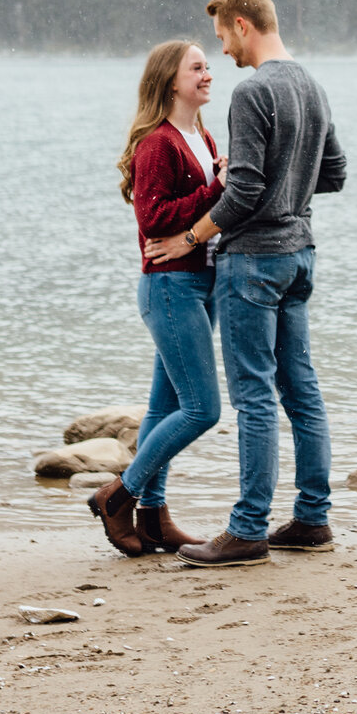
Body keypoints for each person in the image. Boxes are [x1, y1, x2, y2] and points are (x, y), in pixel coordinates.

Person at [142, 0, 347, 567]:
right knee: (301, 390)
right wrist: (289, 185)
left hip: (254, 261)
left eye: (222, 39)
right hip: (300, 255)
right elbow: (332, 174)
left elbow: (245, 190)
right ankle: (312, 519)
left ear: (240, 24)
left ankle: (248, 529)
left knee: (254, 395)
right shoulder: (312, 84)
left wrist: (189, 236)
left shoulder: (254, 92)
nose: (223, 54)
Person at [92, 39, 229, 556]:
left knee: (163, 407)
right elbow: (154, 220)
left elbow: (202, 211)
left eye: (208, 66)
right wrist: (215, 188)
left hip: (199, 284)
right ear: (171, 80)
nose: (208, 73)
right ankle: (117, 494)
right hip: (170, 287)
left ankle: (152, 516)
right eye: (197, 67)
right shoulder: (159, 143)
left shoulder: (201, 134)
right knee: (201, 409)